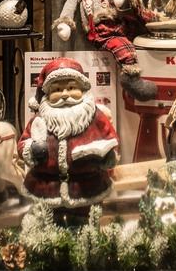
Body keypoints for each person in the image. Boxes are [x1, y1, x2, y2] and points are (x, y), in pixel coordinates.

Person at [18, 57, 120, 218]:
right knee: (49, 222)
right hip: (47, 188)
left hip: (87, 187)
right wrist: (32, 149)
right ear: (48, 93)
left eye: (71, 88)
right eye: (57, 90)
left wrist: (107, 155)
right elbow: (23, 143)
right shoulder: (40, 119)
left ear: (82, 88)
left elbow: (111, 139)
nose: (65, 95)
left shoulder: (95, 116)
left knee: (86, 222)